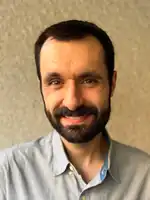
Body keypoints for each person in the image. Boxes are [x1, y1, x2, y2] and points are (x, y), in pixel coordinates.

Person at [0, 20, 149, 200]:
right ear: (41, 87)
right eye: (55, 82)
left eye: (89, 80)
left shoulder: (146, 176)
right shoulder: (5, 174)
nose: (72, 102)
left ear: (112, 83)